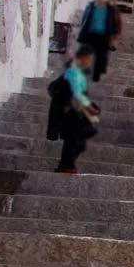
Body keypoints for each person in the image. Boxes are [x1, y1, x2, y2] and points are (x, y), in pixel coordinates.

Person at [47, 45, 100, 174]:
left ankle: (66, 165)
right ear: (82, 59)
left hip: (73, 111)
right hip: (70, 112)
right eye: (88, 59)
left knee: (76, 139)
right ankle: (66, 166)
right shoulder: (73, 73)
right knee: (74, 139)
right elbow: (76, 94)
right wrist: (90, 110)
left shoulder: (78, 73)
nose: (89, 62)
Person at [75, 0, 121, 82]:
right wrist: (82, 31)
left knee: (101, 56)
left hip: (103, 36)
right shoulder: (91, 7)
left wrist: (114, 34)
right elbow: (85, 19)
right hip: (90, 34)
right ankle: (82, 71)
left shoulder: (109, 9)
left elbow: (114, 22)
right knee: (85, 53)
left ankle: (97, 73)